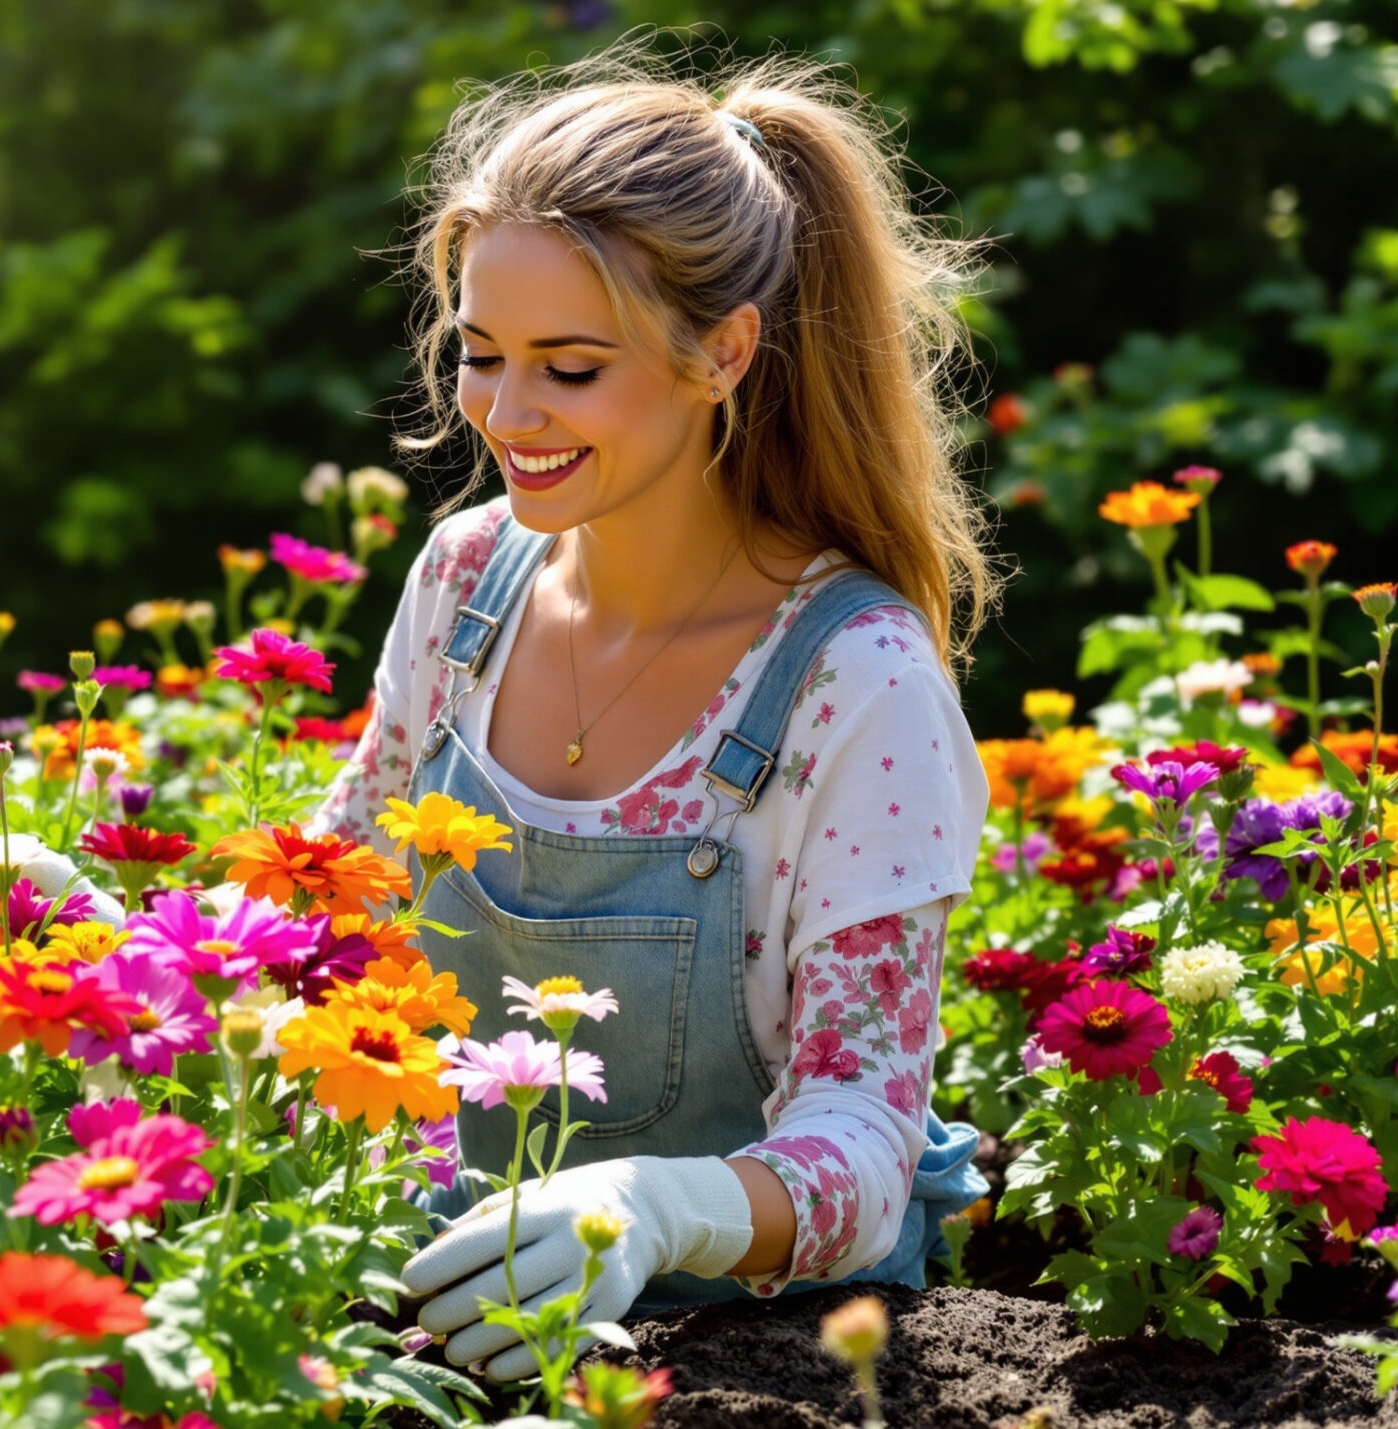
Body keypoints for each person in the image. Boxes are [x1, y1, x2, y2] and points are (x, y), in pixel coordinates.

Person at [309, 47, 1006, 1381]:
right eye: (481, 353)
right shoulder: (466, 586)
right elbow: (339, 898)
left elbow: (864, 1140)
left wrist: (649, 1205)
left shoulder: (854, 680)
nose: (509, 414)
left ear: (723, 351)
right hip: (439, 1315)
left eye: (571, 368)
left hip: (749, 1357)